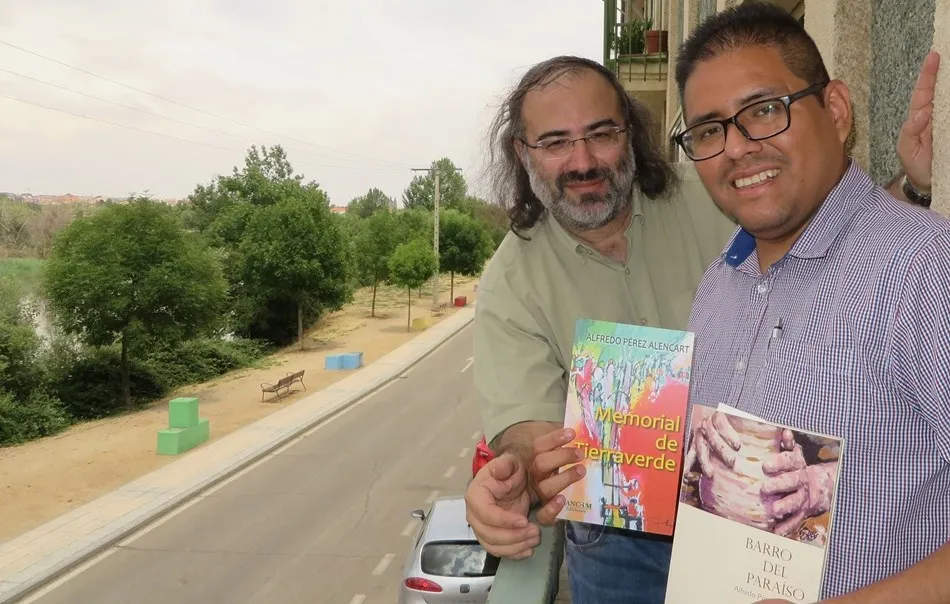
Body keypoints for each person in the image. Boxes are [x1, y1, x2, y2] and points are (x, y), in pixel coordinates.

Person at [464, 39, 938, 604]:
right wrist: (516, 474)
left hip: (754, 517)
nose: (583, 160)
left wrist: (911, 189)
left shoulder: (726, 191)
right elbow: (527, 430)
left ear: (631, 133)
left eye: (602, 133)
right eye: (555, 142)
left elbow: (837, 241)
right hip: (619, 537)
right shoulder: (509, 280)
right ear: (522, 154)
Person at [673, 3, 949, 602]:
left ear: (837, 111)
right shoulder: (719, 282)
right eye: (709, 130)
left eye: (764, 110)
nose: (736, 148)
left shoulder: (924, 267)